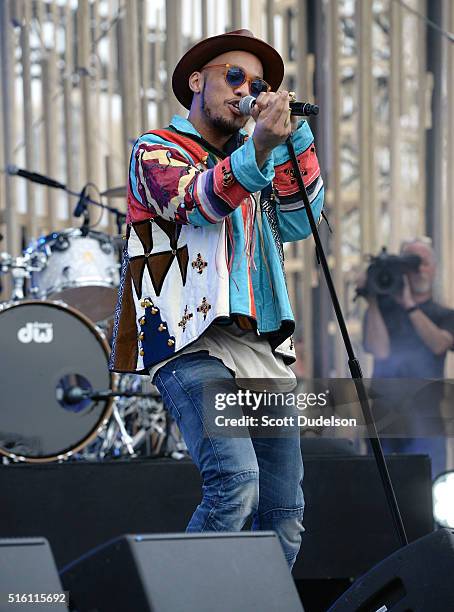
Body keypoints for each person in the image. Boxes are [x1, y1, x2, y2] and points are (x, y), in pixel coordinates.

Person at [109, 29, 324, 568]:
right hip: (187, 339)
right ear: (196, 81)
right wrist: (261, 149)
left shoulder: (257, 159)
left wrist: (294, 139)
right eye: (234, 77)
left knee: (285, 514)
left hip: (258, 345)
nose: (246, 89)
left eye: (257, 83)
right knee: (235, 482)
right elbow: (197, 201)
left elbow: (301, 221)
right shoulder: (156, 149)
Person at [361, 238, 454, 477]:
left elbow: (439, 344)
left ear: (433, 269)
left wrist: (409, 304)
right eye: (410, 264)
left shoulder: (444, 315)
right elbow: (378, 349)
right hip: (384, 424)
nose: (417, 270)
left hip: (427, 424)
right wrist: (372, 299)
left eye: (421, 263)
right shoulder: (382, 309)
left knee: (429, 494)